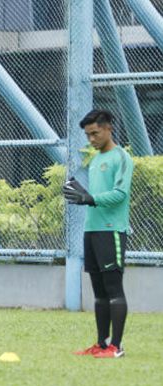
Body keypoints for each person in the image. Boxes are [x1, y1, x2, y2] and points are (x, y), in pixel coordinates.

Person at [64, 109, 133, 359]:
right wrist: (79, 192)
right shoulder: (94, 160)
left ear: (108, 128)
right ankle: (101, 345)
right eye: (88, 135)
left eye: (95, 133)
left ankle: (117, 347)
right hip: (91, 231)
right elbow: (93, 197)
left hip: (111, 231)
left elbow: (120, 195)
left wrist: (90, 198)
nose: (91, 139)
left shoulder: (121, 158)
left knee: (114, 289)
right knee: (99, 292)